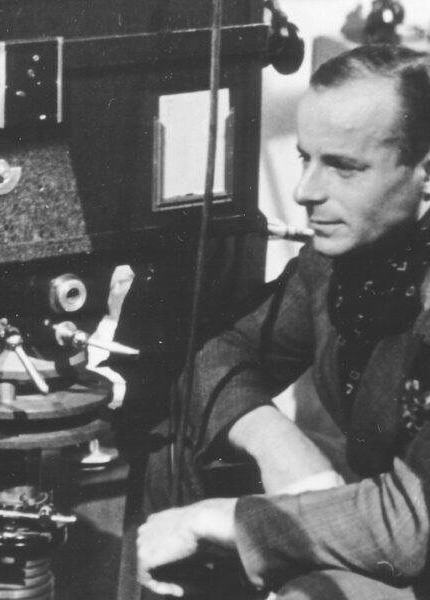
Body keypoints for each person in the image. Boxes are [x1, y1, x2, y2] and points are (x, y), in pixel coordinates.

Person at [137, 44, 430, 599]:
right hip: (399, 513)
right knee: (178, 450)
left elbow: (411, 526)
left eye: (344, 167)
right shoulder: (341, 256)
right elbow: (220, 350)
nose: (305, 192)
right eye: (305, 158)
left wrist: (231, 520)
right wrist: (276, 443)